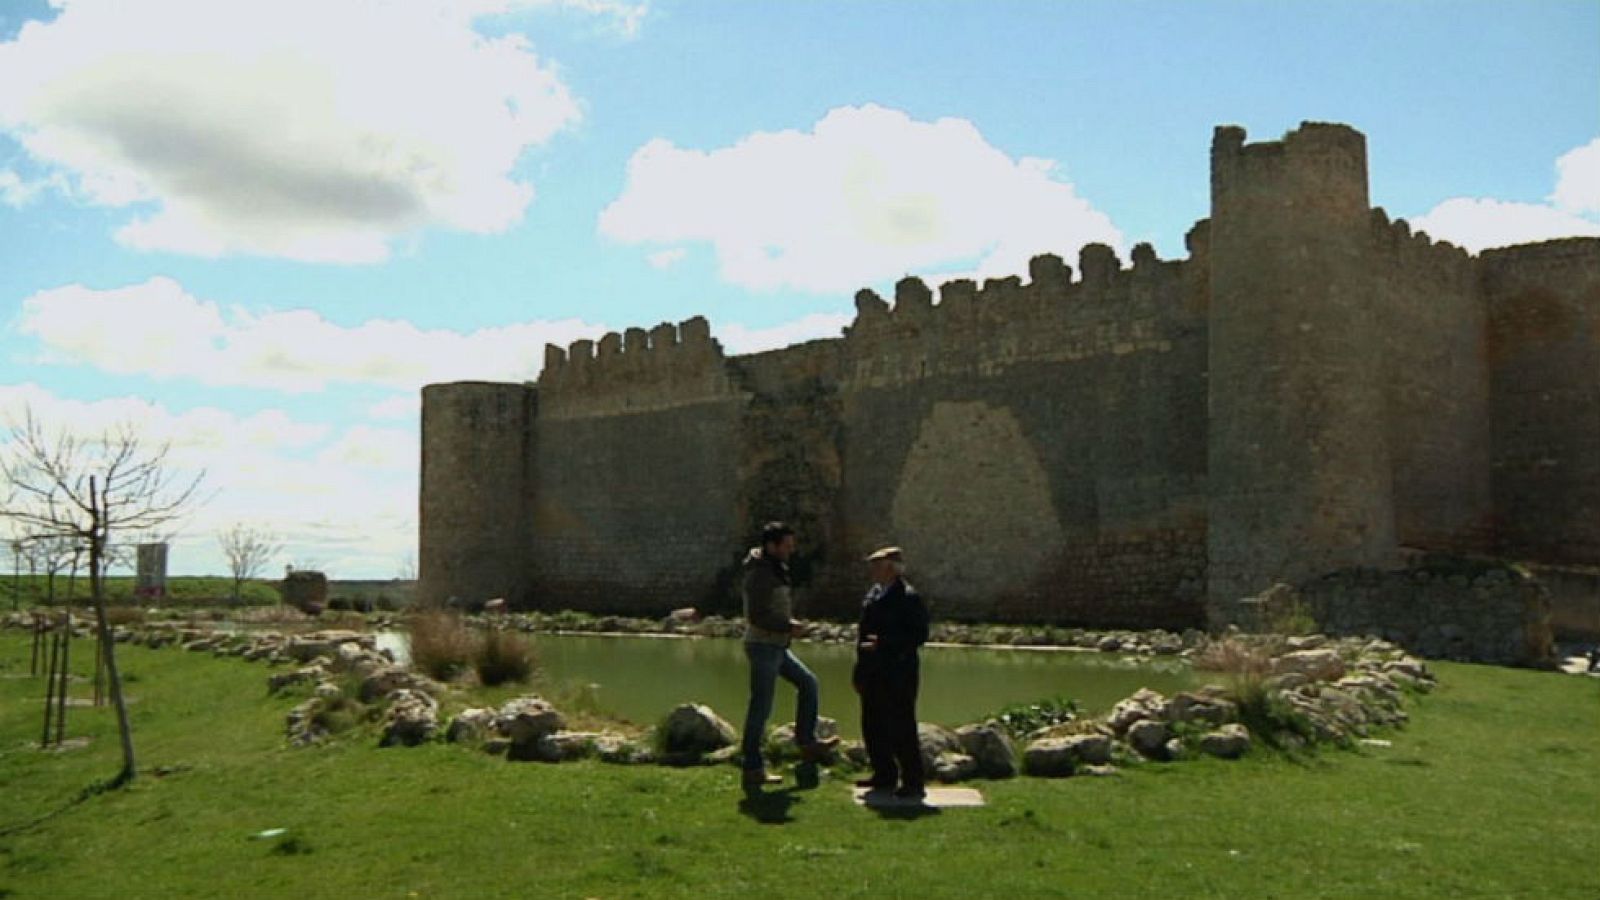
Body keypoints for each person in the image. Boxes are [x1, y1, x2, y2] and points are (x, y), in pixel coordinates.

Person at [739, 521, 837, 790]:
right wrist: (788, 626)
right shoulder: (760, 573)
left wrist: (788, 624)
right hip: (763, 645)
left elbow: (773, 610)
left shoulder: (773, 568)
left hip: (776, 645)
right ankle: (752, 767)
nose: (791, 550)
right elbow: (757, 616)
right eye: (787, 545)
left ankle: (806, 743)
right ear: (771, 546)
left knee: (808, 683)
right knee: (761, 707)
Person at [852, 546, 930, 799]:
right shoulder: (874, 594)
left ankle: (913, 780)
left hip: (898, 670)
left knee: (901, 726)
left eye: (876, 565)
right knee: (872, 723)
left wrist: (884, 642)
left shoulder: (908, 597)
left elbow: (919, 635)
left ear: (890, 568)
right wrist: (860, 669)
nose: (871, 570)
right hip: (873, 669)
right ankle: (883, 773)